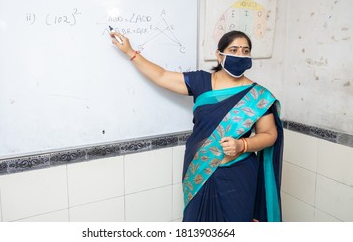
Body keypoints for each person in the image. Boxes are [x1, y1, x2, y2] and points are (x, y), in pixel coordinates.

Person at [109, 30, 283, 222]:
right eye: (233, 50)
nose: (240, 55)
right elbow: (162, 76)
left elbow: (269, 134)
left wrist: (242, 145)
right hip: (198, 169)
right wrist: (130, 52)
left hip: (238, 173)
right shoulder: (201, 82)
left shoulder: (258, 95)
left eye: (245, 51)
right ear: (219, 54)